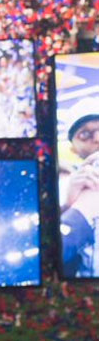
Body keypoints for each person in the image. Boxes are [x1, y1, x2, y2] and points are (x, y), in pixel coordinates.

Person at [61, 99, 99, 277]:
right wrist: (68, 206)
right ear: (73, 149)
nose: (97, 139)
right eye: (85, 134)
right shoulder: (64, 185)